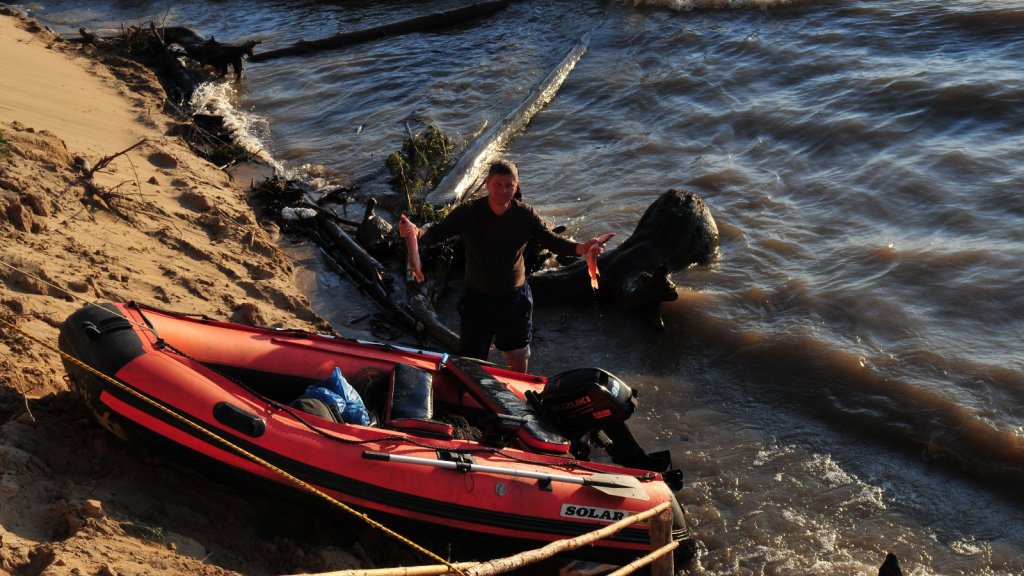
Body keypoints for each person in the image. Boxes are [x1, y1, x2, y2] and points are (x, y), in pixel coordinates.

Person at [398, 159, 612, 373]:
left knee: (517, 354)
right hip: (477, 300)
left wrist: (583, 248)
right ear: (487, 183)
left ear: (516, 186)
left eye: (509, 185)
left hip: (514, 299)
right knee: (473, 361)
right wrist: (414, 233)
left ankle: (517, 401)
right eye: (497, 184)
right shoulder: (469, 212)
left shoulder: (525, 215)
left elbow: (552, 241)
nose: (503, 190)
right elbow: (435, 233)